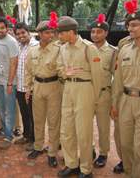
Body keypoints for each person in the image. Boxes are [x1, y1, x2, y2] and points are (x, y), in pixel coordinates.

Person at [57, 16, 102, 178]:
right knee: (66, 130)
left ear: (70, 32)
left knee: (83, 132)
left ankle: (86, 169)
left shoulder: (88, 48)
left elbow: (98, 76)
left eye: (61, 33)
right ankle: (71, 164)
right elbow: (59, 68)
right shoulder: (63, 48)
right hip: (68, 88)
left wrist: (94, 99)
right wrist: (64, 73)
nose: (59, 36)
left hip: (85, 89)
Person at [112, 0, 140, 178]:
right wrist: (114, 104)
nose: (130, 29)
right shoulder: (125, 49)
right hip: (125, 101)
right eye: (129, 25)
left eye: (134, 25)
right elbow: (117, 81)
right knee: (125, 145)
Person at [25, 19, 62, 167]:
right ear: (40, 34)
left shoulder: (59, 48)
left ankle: (52, 152)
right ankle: (38, 147)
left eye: (52, 32)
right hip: (38, 86)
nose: (50, 35)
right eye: (47, 32)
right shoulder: (32, 50)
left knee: (54, 122)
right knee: (38, 120)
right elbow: (28, 71)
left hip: (54, 86)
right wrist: (28, 88)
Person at [89, 14, 117, 168]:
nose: (95, 34)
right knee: (85, 125)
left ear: (106, 33)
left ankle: (104, 153)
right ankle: (90, 149)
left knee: (103, 126)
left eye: (99, 32)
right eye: (93, 32)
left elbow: (116, 76)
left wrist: (114, 100)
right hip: (87, 93)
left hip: (104, 94)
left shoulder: (113, 51)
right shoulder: (87, 49)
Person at [0, 17, 19, 150]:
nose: (0, 30)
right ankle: (4, 131)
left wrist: (10, 83)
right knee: (1, 108)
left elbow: (14, 63)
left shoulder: (12, 42)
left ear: (7, 28)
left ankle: (9, 137)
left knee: (9, 110)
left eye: (2, 28)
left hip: (9, 82)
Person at [14, 22, 37, 147]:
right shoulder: (19, 46)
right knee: (24, 114)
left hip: (31, 88)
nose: (20, 36)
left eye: (23, 32)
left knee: (33, 115)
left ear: (28, 32)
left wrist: (31, 87)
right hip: (20, 87)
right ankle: (26, 135)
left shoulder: (36, 46)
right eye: (18, 34)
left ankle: (34, 140)